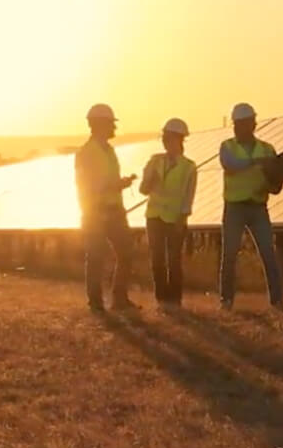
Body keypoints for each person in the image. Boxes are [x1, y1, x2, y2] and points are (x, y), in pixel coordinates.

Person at [218, 101, 283, 311]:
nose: (243, 127)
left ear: (253, 124)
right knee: (229, 255)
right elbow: (231, 165)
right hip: (235, 207)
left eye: (247, 123)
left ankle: (277, 301)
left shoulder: (267, 149)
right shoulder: (227, 147)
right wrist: (259, 162)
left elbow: (275, 185)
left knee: (268, 253)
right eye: (240, 124)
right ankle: (226, 300)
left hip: (258, 206)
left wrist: (278, 177)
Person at [74, 103, 138, 312]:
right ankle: (96, 302)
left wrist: (120, 183)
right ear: (100, 124)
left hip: (113, 209)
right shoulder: (87, 152)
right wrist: (118, 184)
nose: (114, 128)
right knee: (96, 256)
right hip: (95, 211)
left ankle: (119, 299)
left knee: (125, 251)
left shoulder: (108, 150)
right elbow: (90, 183)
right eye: (111, 123)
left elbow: (105, 180)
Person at [140, 117, 198, 308]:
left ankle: (175, 299)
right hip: (154, 215)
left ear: (179, 139)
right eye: (164, 137)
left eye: (169, 137)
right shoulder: (154, 161)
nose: (165, 141)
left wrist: (182, 219)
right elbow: (143, 189)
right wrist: (150, 178)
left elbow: (188, 197)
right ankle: (161, 298)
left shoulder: (189, 167)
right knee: (157, 258)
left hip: (175, 219)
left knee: (173, 260)